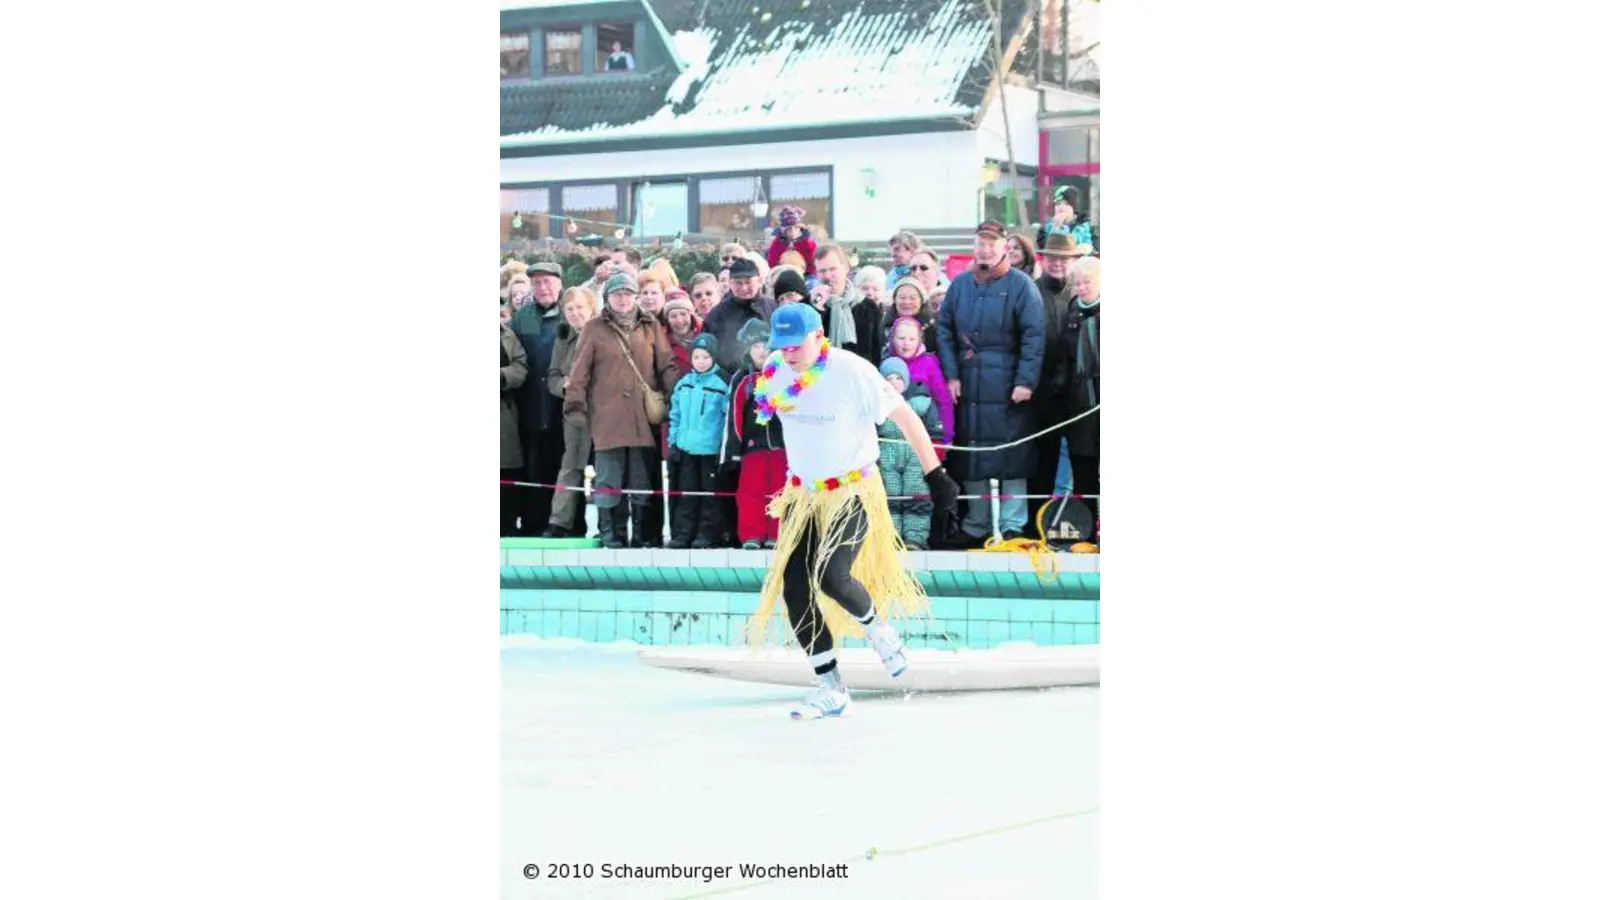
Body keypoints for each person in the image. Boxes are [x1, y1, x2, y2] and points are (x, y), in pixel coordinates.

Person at [742, 303, 958, 718]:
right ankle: (831, 687)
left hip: (852, 489)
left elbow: (906, 417)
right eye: (782, 346)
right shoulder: (774, 370)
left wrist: (935, 474)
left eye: (796, 345)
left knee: (832, 575)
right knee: (794, 588)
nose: (789, 353)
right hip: (803, 494)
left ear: (818, 335)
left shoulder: (852, 370)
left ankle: (880, 632)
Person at [936, 221, 1045, 545]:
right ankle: (976, 523)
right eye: (980, 243)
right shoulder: (960, 285)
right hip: (969, 382)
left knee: (1012, 454)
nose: (985, 250)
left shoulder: (1022, 286)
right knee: (972, 453)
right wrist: (952, 375)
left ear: (1004, 247)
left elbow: (1034, 337)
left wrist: (1026, 381)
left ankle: (1013, 523)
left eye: (991, 244)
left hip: (1009, 384)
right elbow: (945, 331)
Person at [564, 272, 680, 549]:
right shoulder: (594, 328)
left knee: (640, 479)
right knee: (608, 479)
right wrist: (575, 407)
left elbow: (666, 365)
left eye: (628, 294)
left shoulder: (651, 325)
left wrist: (674, 398)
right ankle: (611, 533)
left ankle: (641, 534)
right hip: (607, 418)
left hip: (642, 417)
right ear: (608, 298)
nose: (623, 299)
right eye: (617, 294)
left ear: (635, 297)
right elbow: (579, 372)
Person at [1027, 232, 1094, 527]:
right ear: (1044, 259)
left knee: (1084, 465)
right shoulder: (1031, 291)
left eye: (1064, 259)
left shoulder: (1081, 293)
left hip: (1078, 395)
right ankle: (1036, 525)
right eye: (1053, 257)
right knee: (1042, 466)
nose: (1058, 263)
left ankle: (1085, 526)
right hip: (1041, 393)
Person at [508, 262, 567, 534]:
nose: (543, 288)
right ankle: (534, 524)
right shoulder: (523, 317)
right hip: (530, 405)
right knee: (533, 470)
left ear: (559, 283)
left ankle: (566, 524)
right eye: (537, 283)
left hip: (563, 405)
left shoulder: (570, 310)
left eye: (548, 282)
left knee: (564, 468)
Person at [722, 319, 785, 550]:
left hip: (781, 445)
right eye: (756, 346)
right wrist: (733, 449)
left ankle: (777, 533)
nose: (762, 351)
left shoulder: (785, 375)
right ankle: (752, 534)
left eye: (766, 346)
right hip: (752, 446)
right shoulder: (743, 378)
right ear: (748, 349)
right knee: (751, 491)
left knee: (780, 490)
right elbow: (734, 415)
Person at [666, 333, 731, 549]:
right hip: (686, 449)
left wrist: (724, 447)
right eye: (696, 357)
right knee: (687, 493)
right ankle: (683, 533)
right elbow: (675, 415)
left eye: (705, 357)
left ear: (713, 357)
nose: (700, 362)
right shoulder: (684, 383)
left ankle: (706, 533)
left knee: (709, 495)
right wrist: (673, 442)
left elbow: (727, 418)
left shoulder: (722, 384)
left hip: (710, 450)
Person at [543, 287, 597, 538]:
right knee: (570, 466)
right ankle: (559, 522)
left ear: (591, 308)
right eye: (570, 309)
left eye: (580, 307)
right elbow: (553, 375)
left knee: (606, 469)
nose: (575, 313)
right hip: (575, 412)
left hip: (604, 411)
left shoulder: (604, 332)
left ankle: (609, 524)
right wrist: (563, 387)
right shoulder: (563, 338)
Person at [876, 357, 944, 550]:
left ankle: (916, 537)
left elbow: (934, 433)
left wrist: (935, 461)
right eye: (889, 379)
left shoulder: (923, 404)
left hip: (916, 455)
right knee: (889, 495)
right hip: (887, 455)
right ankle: (892, 535)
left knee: (917, 494)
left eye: (898, 378)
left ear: (906, 381)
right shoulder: (877, 406)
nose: (894, 383)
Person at [1061, 256, 1100, 548]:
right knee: (1083, 471)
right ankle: (1088, 531)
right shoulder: (1071, 314)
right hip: (1080, 408)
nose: (1082, 287)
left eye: (1088, 282)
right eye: (1077, 283)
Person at [886, 316, 953, 466]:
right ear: (892, 339)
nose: (906, 343)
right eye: (901, 338)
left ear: (919, 340)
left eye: (912, 339)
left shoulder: (928, 363)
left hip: (925, 435)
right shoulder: (886, 362)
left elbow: (944, 400)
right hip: (893, 438)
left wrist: (946, 435)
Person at [812, 243, 882, 365]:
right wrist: (817, 308)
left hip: (858, 373)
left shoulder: (868, 307)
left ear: (845, 268)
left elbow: (876, 353)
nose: (827, 276)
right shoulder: (807, 306)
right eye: (822, 271)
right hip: (819, 373)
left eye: (833, 269)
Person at [700, 256, 769, 372]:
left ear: (759, 281)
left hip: (772, 374)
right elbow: (705, 350)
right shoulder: (717, 314)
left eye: (748, 282)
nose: (744, 288)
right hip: (731, 377)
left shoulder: (772, 307)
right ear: (730, 284)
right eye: (738, 283)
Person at [500, 316, 529, 537]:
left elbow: (521, 367)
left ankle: (507, 525)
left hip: (504, 413)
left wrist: (501, 376)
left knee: (506, 471)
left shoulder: (507, 335)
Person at [883, 279, 939, 359]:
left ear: (922, 301)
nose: (907, 302)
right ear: (894, 300)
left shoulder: (932, 330)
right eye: (902, 297)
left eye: (913, 298)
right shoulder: (883, 326)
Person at [1036, 185, 1095, 253]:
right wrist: (1056, 228)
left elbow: (1090, 251)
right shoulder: (1045, 230)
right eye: (1058, 204)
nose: (1061, 208)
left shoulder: (1086, 228)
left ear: (1074, 207)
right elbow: (1048, 252)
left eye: (1066, 204)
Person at [765, 205, 818, 275]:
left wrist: (803, 273)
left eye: (796, 228)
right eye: (789, 229)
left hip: (806, 275)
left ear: (800, 228)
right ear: (783, 230)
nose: (793, 232)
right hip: (782, 275)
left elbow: (814, 263)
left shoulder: (808, 243)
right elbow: (772, 263)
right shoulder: (777, 243)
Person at [661, 291, 702, 375]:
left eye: (683, 314)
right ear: (667, 320)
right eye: (673, 316)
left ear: (691, 315)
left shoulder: (705, 332)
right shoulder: (663, 341)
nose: (679, 320)